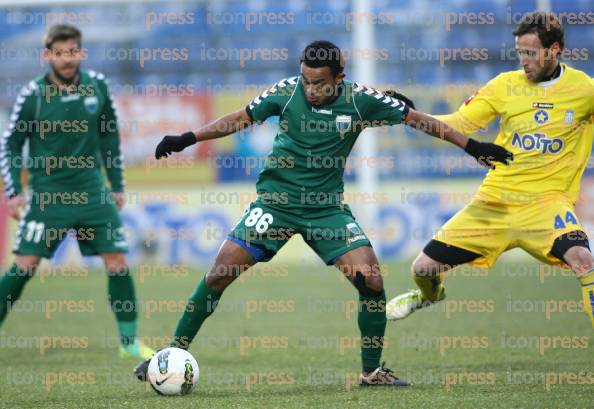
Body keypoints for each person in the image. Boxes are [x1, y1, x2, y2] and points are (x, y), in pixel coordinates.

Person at [134, 40, 511, 386]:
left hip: (326, 209)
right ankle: (173, 351)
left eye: (319, 83)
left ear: (339, 78)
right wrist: (188, 138)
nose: (311, 89)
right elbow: (240, 117)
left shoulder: (361, 100)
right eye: (307, 81)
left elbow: (420, 120)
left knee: (372, 281)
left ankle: (372, 371)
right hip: (275, 203)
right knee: (220, 273)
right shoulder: (286, 91)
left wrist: (473, 146)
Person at [387, 12, 594, 329]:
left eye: (531, 53)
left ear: (554, 50)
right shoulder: (504, 86)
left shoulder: (584, 90)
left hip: (547, 205)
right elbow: (458, 123)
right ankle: (429, 296)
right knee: (423, 269)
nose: (523, 61)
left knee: (584, 261)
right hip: (494, 203)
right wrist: (411, 114)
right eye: (519, 53)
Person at [0, 25, 154, 359]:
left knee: (117, 260)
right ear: (48, 55)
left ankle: (129, 342)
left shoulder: (97, 87)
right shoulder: (33, 95)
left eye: (72, 52)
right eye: (59, 52)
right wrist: (14, 192)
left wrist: (116, 185)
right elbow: (11, 144)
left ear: (80, 52)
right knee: (24, 265)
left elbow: (110, 137)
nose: (66, 59)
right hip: (48, 194)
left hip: (91, 190)